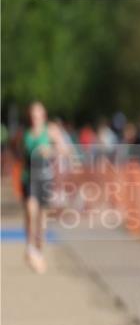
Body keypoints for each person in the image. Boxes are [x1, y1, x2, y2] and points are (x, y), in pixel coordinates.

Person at [17, 102, 67, 273]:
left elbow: (65, 150)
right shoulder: (26, 133)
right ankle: (30, 248)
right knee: (30, 209)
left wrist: (51, 151)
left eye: (38, 115)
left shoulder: (51, 130)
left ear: (43, 116)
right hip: (29, 178)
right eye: (32, 115)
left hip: (45, 179)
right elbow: (21, 154)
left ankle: (38, 250)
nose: (35, 118)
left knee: (42, 219)